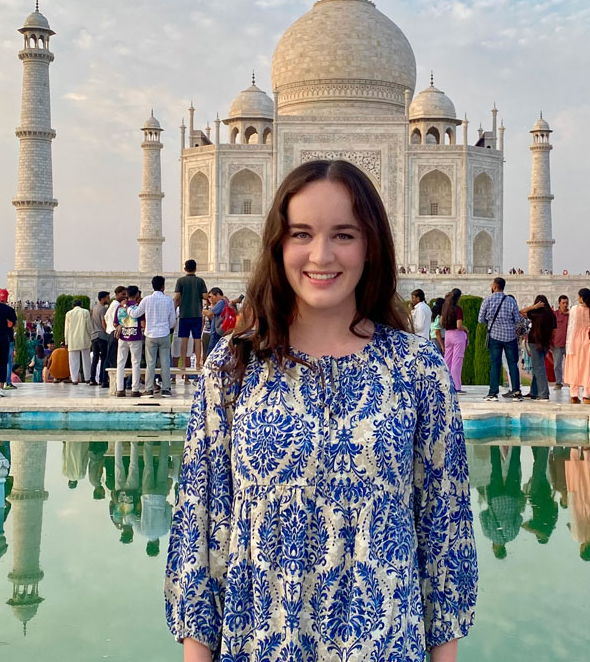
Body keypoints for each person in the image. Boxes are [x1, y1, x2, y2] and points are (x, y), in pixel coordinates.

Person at [165, 160, 476, 661]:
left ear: (371, 244)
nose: (321, 254)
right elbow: (199, 528)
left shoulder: (417, 368)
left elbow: (445, 534)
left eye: (344, 235)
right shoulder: (235, 364)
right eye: (302, 234)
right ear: (278, 244)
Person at [479, 277, 525, 402]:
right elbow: (517, 319)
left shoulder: (488, 300)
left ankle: (493, 393)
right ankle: (516, 391)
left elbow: (480, 319)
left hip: (495, 336)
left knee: (495, 364)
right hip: (510, 337)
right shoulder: (510, 300)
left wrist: (491, 321)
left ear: (494, 286)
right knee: (512, 364)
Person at [132, 276, 177, 398]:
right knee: (165, 362)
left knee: (150, 363)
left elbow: (136, 313)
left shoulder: (146, 300)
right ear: (163, 286)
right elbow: (173, 321)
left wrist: (128, 308)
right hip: (164, 334)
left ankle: (149, 389)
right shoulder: (168, 300)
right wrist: (167, 327)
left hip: (150, 335)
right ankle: (166, 389)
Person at [564, 288, 590, 404]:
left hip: (576, 341)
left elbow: (570, 328)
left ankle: (574, 395)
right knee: (589, 368)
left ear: (581, 297)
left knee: (575, 367)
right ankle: (586, 396)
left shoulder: (575, 309)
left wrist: (569, 345)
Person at [173, 259, 207, 384]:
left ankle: (183, 366)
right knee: (197, 340)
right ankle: (198, 364)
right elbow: (204, 296)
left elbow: (177, 298)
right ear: (195, 268)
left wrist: (172, 307)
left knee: (184, 340)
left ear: (185, 268)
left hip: (184, 314)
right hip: (197, 314)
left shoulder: (180, 281)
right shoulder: (200, 281)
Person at [115, 285, 144, 397]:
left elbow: (115, 323)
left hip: (123, 337)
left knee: (120, 363)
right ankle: (135, 389)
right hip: (135, 337)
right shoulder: (138, 307)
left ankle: (120, 389)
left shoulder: (120, 307)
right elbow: (142, 324)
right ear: (137, 294)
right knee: (135, 363)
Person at [525, 295, 555, 400]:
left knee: (539, 368)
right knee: (538, 366)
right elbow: (554, 330)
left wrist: (534, 307)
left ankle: (543, 393)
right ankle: (534, 391)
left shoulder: (534, 313)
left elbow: (521, 311)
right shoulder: (551, 314)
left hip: (534, 342)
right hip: (545, 342)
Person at [440, 288, 468, 393]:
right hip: (457, 335)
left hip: (448, 334)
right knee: (457, 361)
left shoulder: (445, 307)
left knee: (447, 360)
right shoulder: (458, 309)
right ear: (459, 297)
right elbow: (459, 325)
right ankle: (456, 386)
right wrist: (466, 329)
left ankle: (446, 384)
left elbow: (441, 322)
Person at [64, 299, 92, 384]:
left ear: (73, 306)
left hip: (72, 339)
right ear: (81, 305)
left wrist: (66, 341)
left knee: (73, 361)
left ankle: (74, 379)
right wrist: (91, 336)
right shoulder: (85, 312)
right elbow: (88, 326)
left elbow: (67, 329)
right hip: (84, 338)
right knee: (86, 359)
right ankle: (87, 378)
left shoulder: (69, 314)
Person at [90, 291, 110, 386]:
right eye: (107, 298)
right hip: (101, 335)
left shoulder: (94, 308)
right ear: (102, 299)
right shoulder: (103, 309)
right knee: (104, 358)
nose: (108, 299)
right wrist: (108, 332)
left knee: (95, 358)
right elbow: (103, 322)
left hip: (94, 336)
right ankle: (103, 379)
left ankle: (92, 379)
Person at [201, 287, 227, 359]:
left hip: (216, 331)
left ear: (218, 294)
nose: (210, 298)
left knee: (210, 353)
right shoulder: (224, 302)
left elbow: (210, 313)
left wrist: (198, 309)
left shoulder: (221, 302)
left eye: (211, 296)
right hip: (218, 330)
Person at [551, 295, 569, 390]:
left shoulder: (571, 315)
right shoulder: (554, 315)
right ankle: (558, 382)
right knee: (557, 365)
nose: (565, 305)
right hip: (557, 344)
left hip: (569, 344)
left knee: (570, 364)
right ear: (559, 304)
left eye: (566, 303)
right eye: (563, 303)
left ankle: (571, 381)